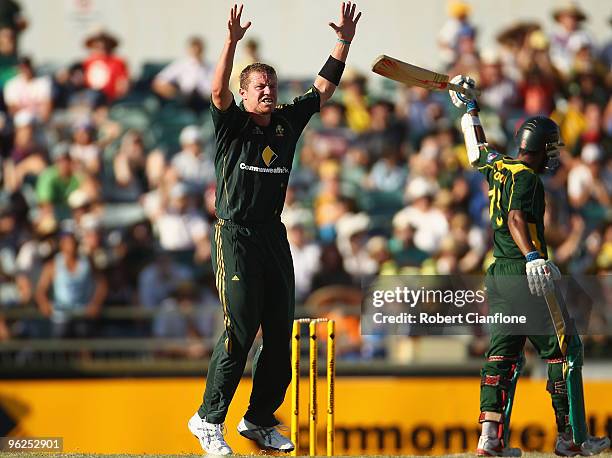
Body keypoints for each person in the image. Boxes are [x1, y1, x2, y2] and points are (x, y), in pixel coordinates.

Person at [187, 3, 361, 455]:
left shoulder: (285, 120)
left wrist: (343, 41)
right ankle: (208, 419)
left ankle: (259, 419)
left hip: (272, 235)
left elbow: (323, 89)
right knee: (240, 327)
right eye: (259, 86)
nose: (267, 90)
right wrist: (230, 43)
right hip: (235, 235)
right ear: (245, 94)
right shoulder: (231, 123)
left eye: (271, 84)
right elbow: (216, 89)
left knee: (281, 335)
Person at [450, 75, 610, 456]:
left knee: (502, 355)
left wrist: (471, 110)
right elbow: (516, 219)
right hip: (526, 274)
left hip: (499, 275)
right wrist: (534, 256)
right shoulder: (529, 181)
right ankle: (572, 438)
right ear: (539, 150)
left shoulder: (502, 168)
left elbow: (478, 151)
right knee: (565, 351)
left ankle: (490, 438)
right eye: (551, 149)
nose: (554, 156)